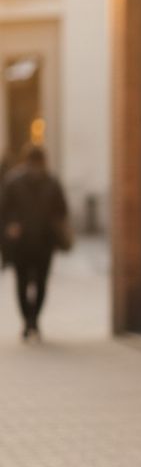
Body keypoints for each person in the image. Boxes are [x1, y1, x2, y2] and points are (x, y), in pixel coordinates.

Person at [0, 143, 69, 340]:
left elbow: (61, 210)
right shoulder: (18, 181)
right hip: (31, 242)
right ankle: (30, 320)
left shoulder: (48, 182)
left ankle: (31, 320)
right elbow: (3, 210)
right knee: (31, 283)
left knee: (33, 283)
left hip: (34, 242)